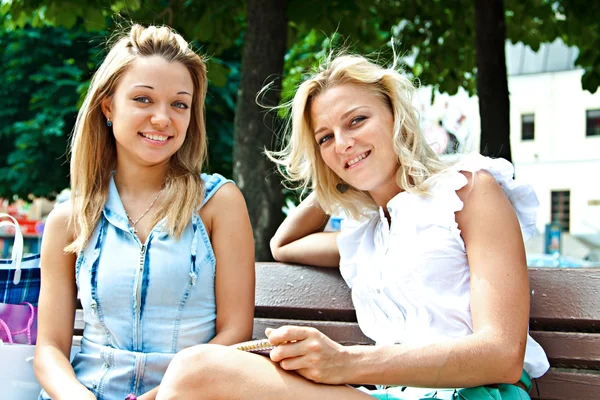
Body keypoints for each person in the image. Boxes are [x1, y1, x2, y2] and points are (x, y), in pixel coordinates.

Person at [154, 53, 549, 400]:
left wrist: (345, 363)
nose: (342, 142)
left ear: (396, 116)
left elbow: (502, 355)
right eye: (325, 137)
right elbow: (285, 243)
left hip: (473, 395)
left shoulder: (468, 191)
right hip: (393, 395)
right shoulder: (370, 233)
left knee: (198, 371)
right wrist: (339, 173)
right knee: (195, 376)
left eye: (357, 120)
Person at [34, 24, 255, 400]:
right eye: (143, 99)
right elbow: (49, 349)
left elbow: (235, 333)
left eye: (179, 104)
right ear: (108, 106)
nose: (162, 119)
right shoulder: (69, 219)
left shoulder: (219, 203)